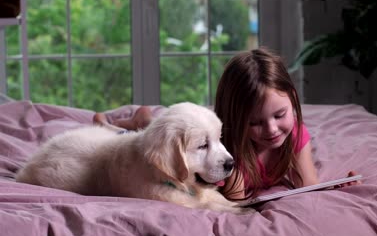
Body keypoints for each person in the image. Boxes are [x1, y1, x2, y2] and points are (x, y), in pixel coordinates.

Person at [93, 47, 359, 201]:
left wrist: (334, 189)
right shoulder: (227, 150)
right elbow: (236, 200)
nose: (271, 129)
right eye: (255, 122)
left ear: (293, 99)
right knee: (144, 137)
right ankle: (134, 120)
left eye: (280, 115)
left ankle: (146, 117)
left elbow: (306, 184)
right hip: (195, 134)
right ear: (235, 119)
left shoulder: (296, 136)